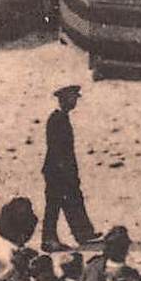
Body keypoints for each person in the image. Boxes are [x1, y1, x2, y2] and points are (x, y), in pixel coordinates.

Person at [42, 85, 100, 251]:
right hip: (57, 170)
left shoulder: (62, 117)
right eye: (72, 98)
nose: (75, 102)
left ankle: (83, 233)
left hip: (63, 169)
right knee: (54, 204)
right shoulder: (56, 119)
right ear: (64, 99)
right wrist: (65, 171)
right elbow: (56, 149)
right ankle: (48, 239)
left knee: (74, 199)